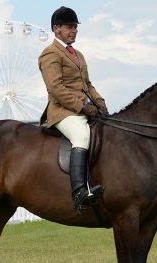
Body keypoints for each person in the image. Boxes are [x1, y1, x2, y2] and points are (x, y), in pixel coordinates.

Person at [38, 6, 107, 210]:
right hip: (63, 112)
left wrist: (101, 103)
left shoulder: (78, 55)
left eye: (76, 26)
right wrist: (83, 108)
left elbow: (87, 85)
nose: (74, 30)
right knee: (82, 136)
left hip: (84, 108)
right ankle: (79, 192)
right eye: (70, 26)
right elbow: (56, 88)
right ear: (56, 28)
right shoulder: (50, 54)